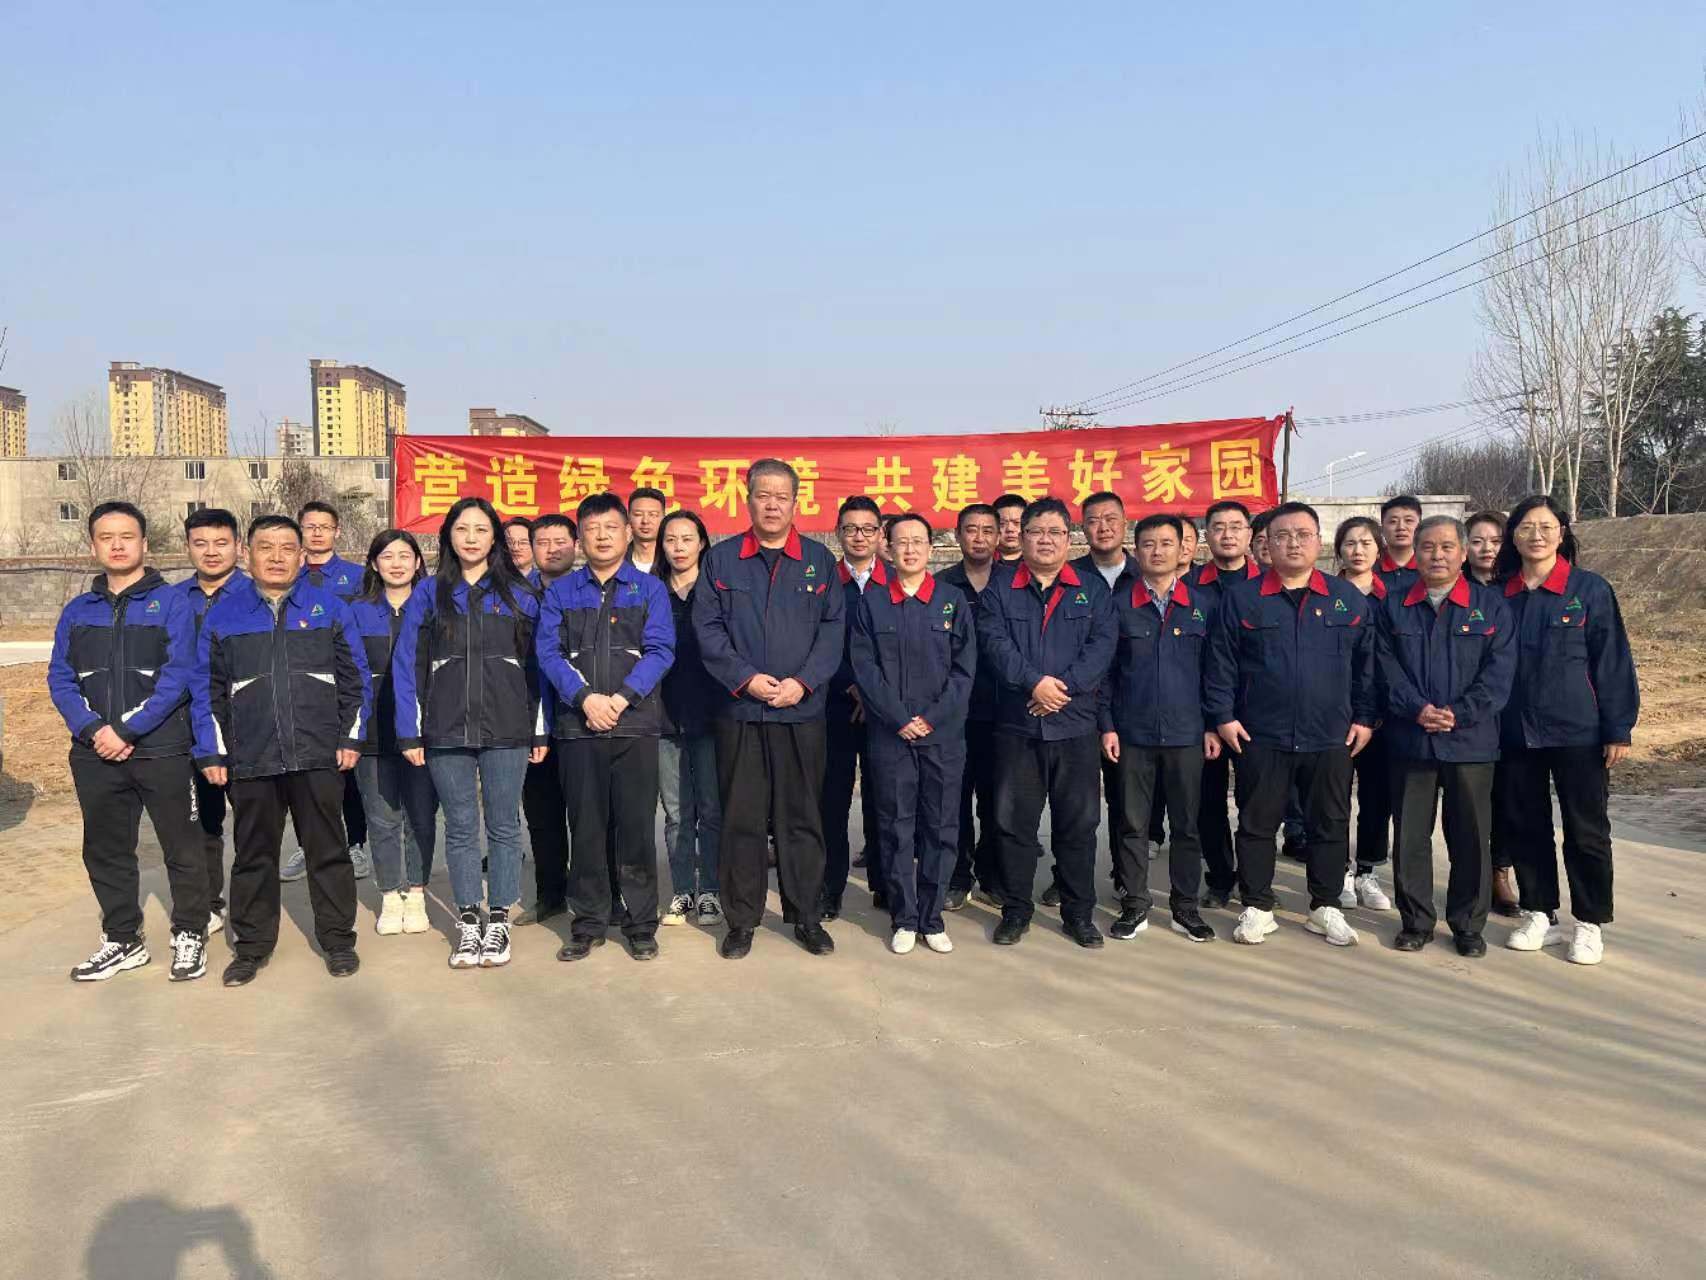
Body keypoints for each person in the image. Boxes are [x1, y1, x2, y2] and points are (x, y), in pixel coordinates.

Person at [192, 514, 370, 986]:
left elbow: (355, 680)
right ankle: (251, 948)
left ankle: (338, 941)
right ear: (247, 554)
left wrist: (351, 737)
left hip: (318, 755)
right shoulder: (224, 616)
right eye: (265, 547)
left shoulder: (330, 609)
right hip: (251, 758)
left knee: (327, 851)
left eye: (287, 548)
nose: (276, 557)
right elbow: (206, 688)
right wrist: (212, 751)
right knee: (253, 855)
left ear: (301, 555)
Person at [1204, 502, 1376, 948]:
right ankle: (1257, 905)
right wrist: (1223, 716)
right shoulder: (1243, 599)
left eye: (1303, 535)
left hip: (1330, 733)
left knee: (1330, 822)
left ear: (1318, 542)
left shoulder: (1345, 598)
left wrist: (1365, 718)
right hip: (1261, 733)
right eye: (1282, 536)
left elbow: (1368, 667)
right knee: (1256, 823)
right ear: (1266, 544)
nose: (1293, 543)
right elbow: (1220, 662)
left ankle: (1325, 905)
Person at [692, 459, 845, 959]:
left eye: (782, 496)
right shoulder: (723, 560)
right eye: (763, 495)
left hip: (801, 713)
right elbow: (708, 629)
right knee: (743, 820)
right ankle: (742, 921)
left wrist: (803, 682)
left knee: (801, 818)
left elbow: (832, 631)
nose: (772, 505)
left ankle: (806, 916)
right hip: (741, 712)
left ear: (795, 502)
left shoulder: (818, 561)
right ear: (748, 499)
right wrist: (746, 679)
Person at [51, 502, 209, 982]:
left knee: (182, 847)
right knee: (105, 848)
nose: (117, 545)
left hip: (161, 749)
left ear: (145, 543)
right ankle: (122, 939)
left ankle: (190, 933)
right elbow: (61, 678)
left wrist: (127, 730)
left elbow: (179, 675)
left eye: (126, 536)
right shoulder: (78, 611)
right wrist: (92, 729)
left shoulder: (173, 604)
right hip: (94, 753)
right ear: (93, 546)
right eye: (106, 537)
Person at [393, 496, 546, 970]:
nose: (472, 538)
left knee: (503, 825)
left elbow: (538, 668)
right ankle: (467, 919)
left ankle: (498, 917)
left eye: (481, 529)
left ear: (494, 537)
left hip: (507, 729)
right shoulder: (429, 594)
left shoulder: (519, 594)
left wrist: (539, 730)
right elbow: (407, 665)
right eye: (462, 529)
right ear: (449, 537)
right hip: (445, 729)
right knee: (459, 826)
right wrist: (409, 732)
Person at [1495, 495, 1639, 966]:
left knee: (1586, 829)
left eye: (1546, 526)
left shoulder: (1589, 590)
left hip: (1579, 730)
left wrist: (1617, 727)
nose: (1536, 535)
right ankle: (1539, 912)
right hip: (1515, 730)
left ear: (1561, 533)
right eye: (1526, 527)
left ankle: (1590, 922)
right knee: (1526, 825)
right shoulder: (1500, 594)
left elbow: (1612, 661)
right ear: (1513, 536)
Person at [537, 493, 675, 962]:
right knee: (587, 829)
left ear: (627, 533)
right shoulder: (561, 593)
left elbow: (661, 650)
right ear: (580, 538)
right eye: (592, 529)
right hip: (579, 728)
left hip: (634, 726)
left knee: (636, 829)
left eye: (611, 528)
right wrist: (585, 699)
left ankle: (640, 924)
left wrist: (620, 699)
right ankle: (589, 923)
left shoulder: (649, 589)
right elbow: (549, 652)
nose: (602, 537)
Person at [1373, 516, 1516, 957]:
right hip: (1411, 739)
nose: (1437, 555)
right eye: (1428, 547)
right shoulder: (1393, 606)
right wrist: (1416, 709)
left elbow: (1499, 673)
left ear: (1463, 552)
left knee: (1470, 836)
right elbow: (1384, 667)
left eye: (1447, 547)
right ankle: (1416, 921)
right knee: (1411, 836)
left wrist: (1460, 713)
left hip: (1471, 742)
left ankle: (1468, 925)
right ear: (1415, 553)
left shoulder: (1491, 607)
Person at [978, 496, 1117, 948]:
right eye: (1036, 531)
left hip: (1075, 727)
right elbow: (993, 643)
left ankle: (1078, 914)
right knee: (1013, 825)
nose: (1045, 540)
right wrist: (1033, 683)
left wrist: (1061, 690)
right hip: (1017, 727)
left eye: (1055, 532)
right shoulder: (1000, 589)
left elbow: (1102, 647)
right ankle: (1016, 910)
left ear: (1068, 538)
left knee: (1077, 826)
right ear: (1021, 536)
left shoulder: (1091, 589)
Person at [850, 513, 974, 954]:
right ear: (887, 547)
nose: (910, 550)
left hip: (943, 736)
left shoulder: (951, 601)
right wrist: (899, 718)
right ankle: (904, 917)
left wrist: (932, 718)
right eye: (901, 542)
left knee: (941, 827)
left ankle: (932, 917)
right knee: (895, 826)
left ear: (931, 548)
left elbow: (964, 671)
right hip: (891, 736)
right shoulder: (872, 603)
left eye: (918, 541)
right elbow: (866, 668)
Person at [1098, 514, 1221, 944]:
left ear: (1184, 548)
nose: (1157, 551)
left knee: (1187, 825)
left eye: (1167, 543)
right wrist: (1107, 726)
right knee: (1132, 825)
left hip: (1188, 734)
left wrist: (1213, 724)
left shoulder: (1204, 605)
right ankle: (1135, 903)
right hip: (1132, 735)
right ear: (1136, 550)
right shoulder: (1118, 606)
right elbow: (1106, 675)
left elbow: (1216, 672)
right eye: (1148, 544)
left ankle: (1186, 907)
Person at [348, 530, 438, 937]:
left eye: (405, 555)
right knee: (382, 817)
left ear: (418, 562)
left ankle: (416, 892)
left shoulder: (434, 608)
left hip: (424, 730)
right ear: (373, 563)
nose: (397, 563)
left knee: (420, 815)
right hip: (373, 730)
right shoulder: (355, 611)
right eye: (387, 556)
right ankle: (389, 894)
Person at [287, 500, 368, 884]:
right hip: (300, 688)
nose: (317, 533)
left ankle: (355, 844)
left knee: (347, 771)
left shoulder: (357, 577)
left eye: (325, 526)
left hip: (344, 685)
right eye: (310, 526)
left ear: (337, 531)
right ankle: (309, 844)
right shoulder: (288, 575)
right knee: (303, 774)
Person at [1066, 490, 1140, 909]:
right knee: (1074, 805)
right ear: (1082, 529)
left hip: (1128, 706)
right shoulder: (1069, 575)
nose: (1103, 527)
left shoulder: (1144, 573)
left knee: (1125, 802)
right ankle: (1068, 879)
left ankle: (1125, 878)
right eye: (1093, 520)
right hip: (1074, 703)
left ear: (1125, 523)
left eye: (1111, 518)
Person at [1187, 501, 1262, 909]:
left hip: (1256, 716)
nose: (1228, 534)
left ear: (1249, 535)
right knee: (1209, 803)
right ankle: (1219, 878)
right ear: (1207, 535)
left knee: (1257, 805)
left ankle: (1255, 883)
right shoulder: (1189, 587)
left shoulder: (1269, 585)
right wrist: (1209, 719)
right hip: (1204, 716)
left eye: (1236, 527)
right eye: (1218, 527)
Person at [176, 507, 247, 936]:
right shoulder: (173, 601)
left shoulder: (255, 595)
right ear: (187, 548)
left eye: (221, 542)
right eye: (200, 543)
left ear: (238, 546)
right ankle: (208, 903)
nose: (211, 552)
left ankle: (253, 909)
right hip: (188, 731)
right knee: (202, 823)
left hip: (246, 730)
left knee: (254, 826)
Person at [654, 510, 724, 927]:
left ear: (702, 543)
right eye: (671, 540)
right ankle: (682, 889)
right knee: (677, 811)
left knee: (712, 809)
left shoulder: (716, 592)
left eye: (687, 539)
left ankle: (711, 889)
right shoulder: (651, 592)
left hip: (712, 716)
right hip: (664, 716)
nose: (678, 548)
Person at [821, 496, 887, 917]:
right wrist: (851, 684)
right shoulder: (824, 583)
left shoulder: (896, 581)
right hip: (834, 705)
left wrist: (873, 689)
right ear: (838, 533)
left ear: (880, 534)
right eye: (850, 528)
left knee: (884, 800)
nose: (859, 536)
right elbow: (817, 642)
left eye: (867, 529)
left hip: (885, 710)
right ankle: (830, 888)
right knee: (831, 801)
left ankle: (884, 882)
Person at [938, 503, 1002, 909]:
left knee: (998, 800)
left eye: (987, 530)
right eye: (971, 530)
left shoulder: (1014, 582)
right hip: (954, 713)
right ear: (959, 535)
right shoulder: (942, 585)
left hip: (1003, 713)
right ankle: (957, 875)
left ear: (999, 536)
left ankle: (993, 874)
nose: (979, 538)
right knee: (954, 799)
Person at [516, 513, 577, 926]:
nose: (552, 549)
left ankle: (599, 895)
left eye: (560, 541)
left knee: (591, 814)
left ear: (576, 545)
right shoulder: (515, 595)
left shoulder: (590, 590)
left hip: (581, 715)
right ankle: (550, 894)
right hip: (531, 718)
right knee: (541, 814)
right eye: (543, 542)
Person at [1332, 516, 1395, 912]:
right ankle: (1338, 870)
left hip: (1383, 716)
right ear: (1339, 549)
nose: (1358, 550)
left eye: (1366, 542)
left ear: (1378, 548)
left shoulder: (1395, 597)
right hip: (1337, 713)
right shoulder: (1325, 594)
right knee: (1334, 798)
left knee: (1376, 798)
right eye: (1350, 543)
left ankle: (1367, 871)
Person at [1465, 510, 1518, 913]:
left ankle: (1500, 870)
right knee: (1465, 804)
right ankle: (1469, 877)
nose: (1487, 549)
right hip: (1462, 713)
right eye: (1478, 541)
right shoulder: (1452, 587)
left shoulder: (1517, 589)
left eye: (1496, 541)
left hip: (1510, 709)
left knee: (1506, 797)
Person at [1377, 495, 1423, 592]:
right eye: (1393, 521)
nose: (1401, 527)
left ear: (1420, 527)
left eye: (1408, 521)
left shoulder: (1430, 566)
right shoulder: (1369, 567)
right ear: (1382, 529)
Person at [626, 487, 668, 574]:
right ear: (628, 518)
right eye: (638, 514)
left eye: (653, 515)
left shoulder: (672, 561)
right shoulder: (615, 561)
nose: (645, 521)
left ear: (664, 518)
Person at [991, 492, 1027, 563]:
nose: (1010, 529)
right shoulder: (979, 561)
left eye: (1017, 523)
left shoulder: (1041, 560)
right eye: (1002, 523)